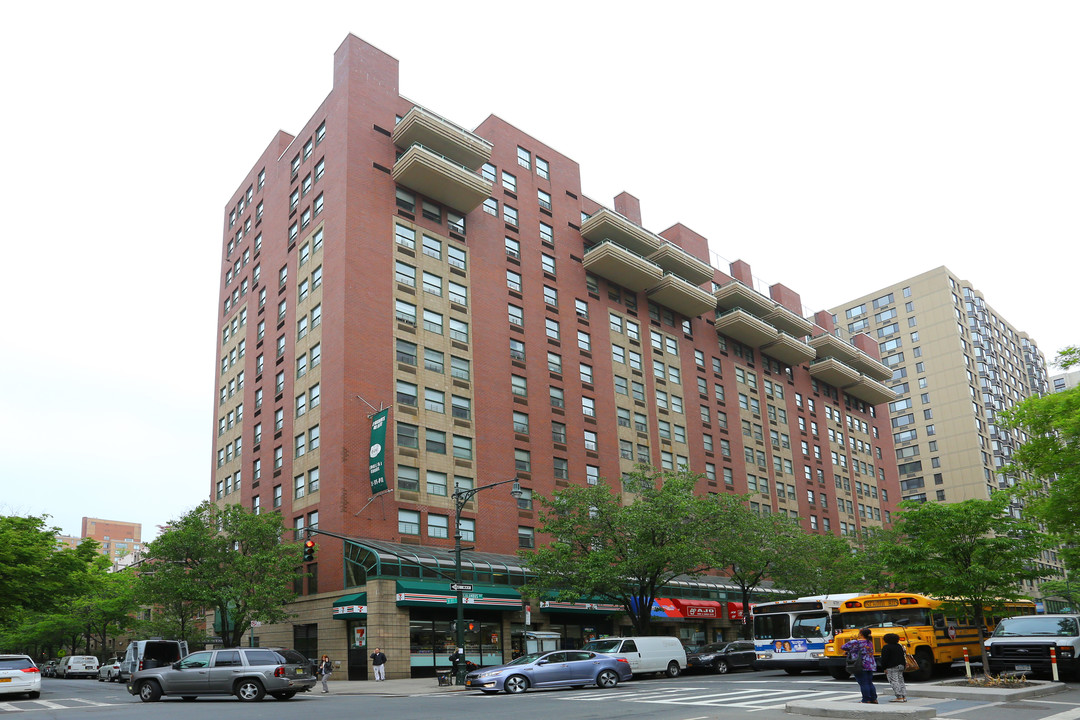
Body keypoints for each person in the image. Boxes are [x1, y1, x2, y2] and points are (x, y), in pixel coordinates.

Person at [842, 627, 878, 704]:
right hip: (870, 664)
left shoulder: (855, 642)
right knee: (869, 682)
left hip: (860, 664)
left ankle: (866, 699)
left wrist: (849, 651)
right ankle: (874, 699)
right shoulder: (869, 642)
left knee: (863, 683)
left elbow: (843, 647)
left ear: (861, 634)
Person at [880, 633, 907, 703]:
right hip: (901, 666)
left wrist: (884, 668)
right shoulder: (899, 646)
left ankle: (899, 697)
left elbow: (884, 659)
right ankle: (904, 696)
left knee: (894, 681)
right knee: (901, 681)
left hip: (891, 667)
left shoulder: (886, 647)